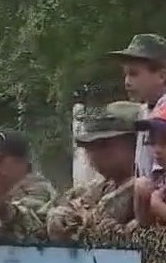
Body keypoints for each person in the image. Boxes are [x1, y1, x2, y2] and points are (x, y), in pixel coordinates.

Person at [46, 101, 141, 241]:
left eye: (103, 145)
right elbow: (50, 212)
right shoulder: (99, 187)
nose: (93, 154)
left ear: (136, 143)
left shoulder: (149, 187)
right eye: (88, 146)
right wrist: (58, 216)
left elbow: (100, 218)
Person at [106, 33, 166, 179]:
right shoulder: (146, 109)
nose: (127, 82)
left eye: (134, 74)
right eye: (125, 75)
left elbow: (160, 175)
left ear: (161, 76)